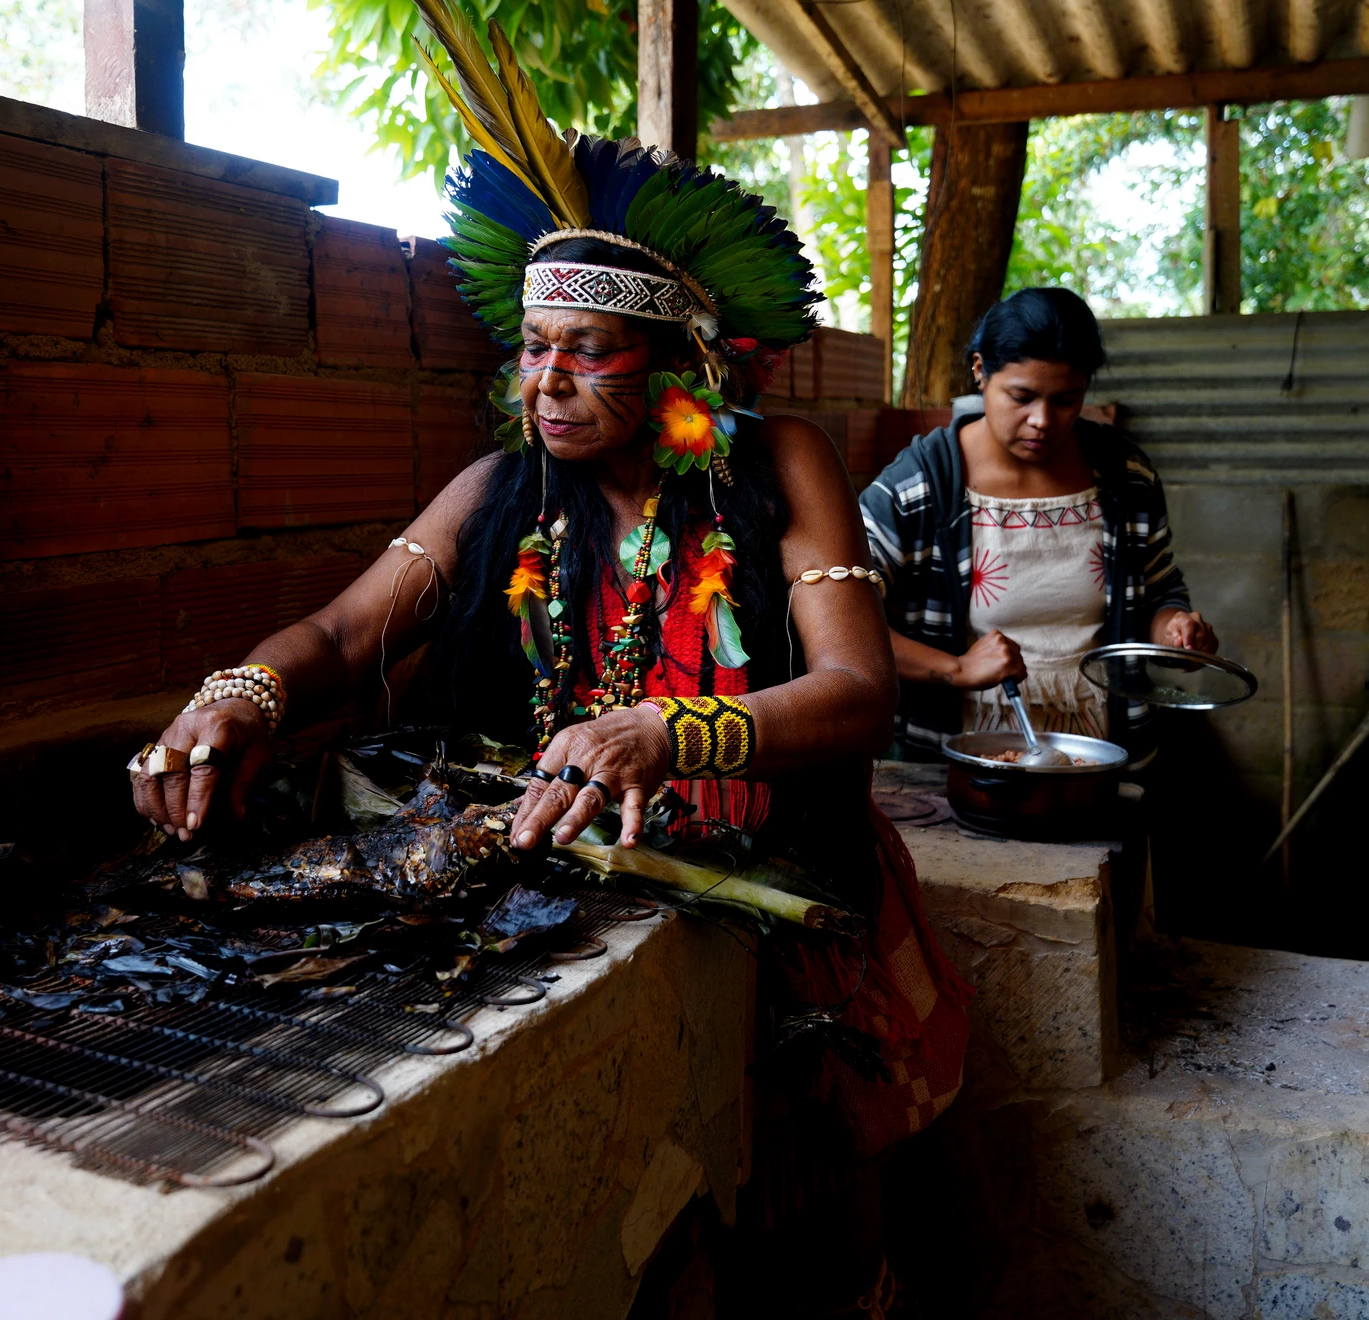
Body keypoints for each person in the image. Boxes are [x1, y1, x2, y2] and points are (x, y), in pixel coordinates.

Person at [126, 4, 969, 1307]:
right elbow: (345, 633)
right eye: (533, 350)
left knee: (816, 1194)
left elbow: (858, 697)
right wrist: (241, 692)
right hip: (573, 869)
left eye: (589, 353)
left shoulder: (778, 465)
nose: (547, 383)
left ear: (680, 364)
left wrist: (671, 731)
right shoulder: (498, 493)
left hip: (774, 868)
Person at [861, 287, 1218, 758]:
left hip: (1100, 757)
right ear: (979, 370)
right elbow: (844, 618)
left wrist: (1175, 632)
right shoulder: (919, 487)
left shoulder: (1126, 478)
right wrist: (956, 669)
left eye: (1066, 400)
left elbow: (1159, 591)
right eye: (1021, 396)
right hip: (956, 762)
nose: (1043, 420)